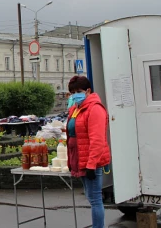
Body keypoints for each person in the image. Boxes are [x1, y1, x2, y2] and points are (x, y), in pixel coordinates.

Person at [66, 76, 111, 228]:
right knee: (91, 196)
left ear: (88, 91)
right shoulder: (75, 109)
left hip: (91, 161)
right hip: (80, 159)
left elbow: (97, 140)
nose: (75, 95)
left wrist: (91, 165)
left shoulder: (95, 108)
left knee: (95, 199)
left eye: (78, 91)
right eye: (72, 92)